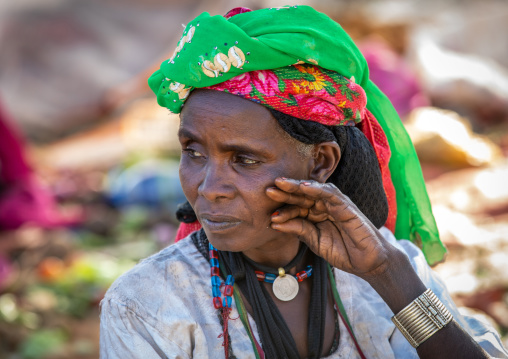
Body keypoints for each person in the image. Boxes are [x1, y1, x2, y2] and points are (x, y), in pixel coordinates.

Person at [100, 6, 508, 359]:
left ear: (321, 163)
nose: (209, 187)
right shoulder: (147, 304)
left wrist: (390, 276)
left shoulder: (389, 269)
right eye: (194, 152)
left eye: (244, 159)